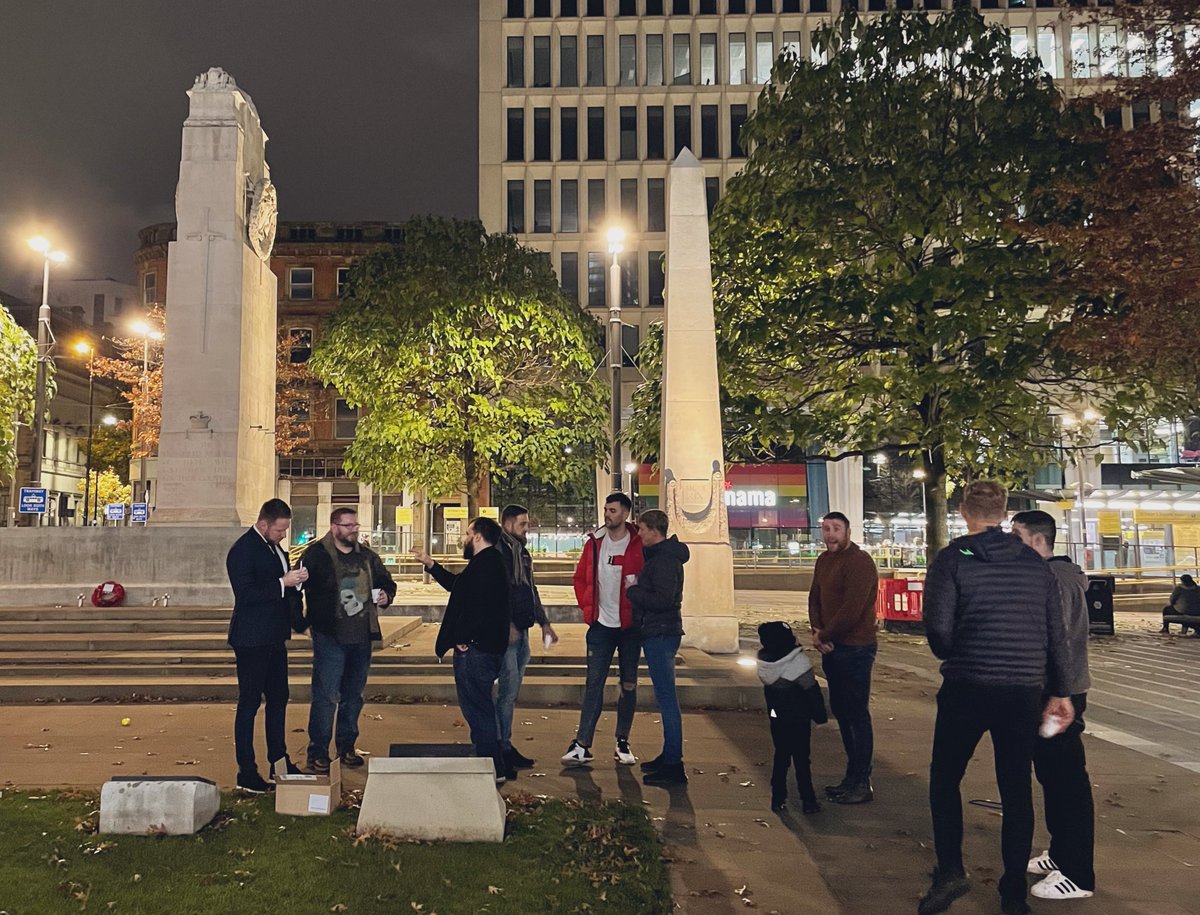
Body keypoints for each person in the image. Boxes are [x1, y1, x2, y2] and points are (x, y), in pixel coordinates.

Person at [919, 482, 1074, 915]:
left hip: (967, 685)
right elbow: (1054, 633)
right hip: (1021, 690)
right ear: (1005, 512)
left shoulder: (952, 560)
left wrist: (957, 651)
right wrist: (1060, 691)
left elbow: (939, 633)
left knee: (945, 778)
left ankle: (950, 870)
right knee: (1016, 788)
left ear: (964, 511)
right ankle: (1012, 893)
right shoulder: (1033, 562)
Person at [1011, 510, 1096, 902]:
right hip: (1057, 690)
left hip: (1058, 694)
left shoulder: (1054, 581)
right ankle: (1062, 853)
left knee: (1066, 780)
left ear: (1036, 541)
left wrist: (1053, 694)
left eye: (1017, 537)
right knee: (1053, 775)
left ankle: (1077, 873)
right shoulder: (1058, 576)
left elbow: (1053, 643)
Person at [296, 507, 397, 775]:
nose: (354, 530)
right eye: (348, 525)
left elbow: (387, 582)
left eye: (356, 525)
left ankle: (346, 747)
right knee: (326, 696)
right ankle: (317, 753)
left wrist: (387, 595)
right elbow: (295, 589)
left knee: (354, 696)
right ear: (334, 527)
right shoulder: (316, 556)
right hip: (330, 636)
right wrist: (303, 623)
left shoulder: (367, 557)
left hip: (361, 637)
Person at [413, 517, 513, 782]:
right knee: (481, 708)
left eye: (468, 533)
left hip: (476, 652)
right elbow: (457, 586)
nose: (464, 538)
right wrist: (430, 564)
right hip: (483, 649)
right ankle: (489, 761)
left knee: (478, 710)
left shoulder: (487, 565)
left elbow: (478, 608)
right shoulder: (487, 564)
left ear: (478, 536)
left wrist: (464, 638)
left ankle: (490, 765)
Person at [225, 498, 308, 794]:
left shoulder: (274, 548)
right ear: (263, 524)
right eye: (280, 529)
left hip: (274, 636)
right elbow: (246, 594)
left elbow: (281, 587)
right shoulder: (242, 550)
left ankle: (278, 760)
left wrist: (295, 582)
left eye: (285, 529)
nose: (283, 534)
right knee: (249, 703)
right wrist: (282, 583)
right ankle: (246, 770)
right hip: (250, 638)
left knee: (279, 698)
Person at [561, 492, 645, 767]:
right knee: (593, 684)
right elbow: (580, 578)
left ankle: (622, 741)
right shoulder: (595, 543)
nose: (607, 514)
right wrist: (589, 610)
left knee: (628, 685)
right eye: (606, 509)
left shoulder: (638, 543)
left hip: (630, 628)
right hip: (601, 626)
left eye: (613, 510)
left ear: (625, 514)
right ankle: (582, 743)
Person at [808, 510, 880, 805]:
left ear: (848, 531)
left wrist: (824, 635)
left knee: (856, 714)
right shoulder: (824, 560)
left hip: (855, 647)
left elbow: (852, 609)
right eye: (826, 529)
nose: (830, 534)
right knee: (843, 711)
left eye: (836, 528)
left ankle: (861, 779)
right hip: (832, 647)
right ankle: (851, 776)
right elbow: (815, 596)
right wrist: (816, 629)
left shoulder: (859, 563)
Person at [626, 509, 689, 787]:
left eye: (641, 529)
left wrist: (633, 589)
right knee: (666, 698)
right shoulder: (665, 557)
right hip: (660, 631)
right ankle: (669, 756)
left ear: (654, 530)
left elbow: (662, 599)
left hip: (660, 632)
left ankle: (673, 764)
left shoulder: (663, 560)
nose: (638, 534)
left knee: (667, 700)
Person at [496, 504, 559, 771]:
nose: (527, 529)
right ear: (508, 524)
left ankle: (505, 745)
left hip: (522, 629)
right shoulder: (500, 550)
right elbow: (498, 590)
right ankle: (500, 747)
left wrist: (544, 622)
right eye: (522, 524)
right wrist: (506, 623)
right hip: (507, 632)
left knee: (511, 692)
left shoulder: (520, 551)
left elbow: (529, 589)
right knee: (506, 693)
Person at [756, 620, 827, 815]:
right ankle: (808, 800)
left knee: (781, 755)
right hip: (799, 719)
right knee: (802, 759)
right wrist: (820, 717)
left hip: (776, 716)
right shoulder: (798, 664)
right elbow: (812, 693)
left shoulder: (765, 665)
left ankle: (778, 797)